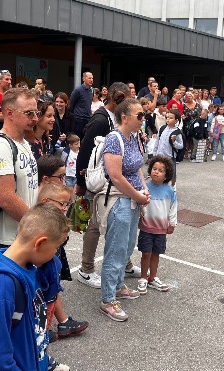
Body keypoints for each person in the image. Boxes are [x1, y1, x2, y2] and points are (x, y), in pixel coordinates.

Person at [0, 203, 70, 370]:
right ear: (40, 243)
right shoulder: (2, 285)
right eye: (56, 248)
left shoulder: (29, 268)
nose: (55, 253)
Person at [75, 82, 140, 289]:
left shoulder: (115, 119)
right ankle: (86, 270)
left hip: (109, 184)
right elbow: (85, 152)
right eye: (127, 100)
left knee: (118, 229)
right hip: (98, 183)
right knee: (94, 224)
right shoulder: (101, 119)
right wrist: (81, 183)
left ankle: (126, 263)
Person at [96, 97, 150, 322]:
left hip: (134, 201)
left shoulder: (134, 137)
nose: (143, 119)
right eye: (139, 116)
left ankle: (118, 286)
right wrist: (138, 194)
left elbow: (137, 167)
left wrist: (144, 188)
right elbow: (116, 177)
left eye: (144, 115)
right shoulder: (114, 139)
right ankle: (107, 299)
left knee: (127, 246)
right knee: (116, 249)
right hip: (119, 201)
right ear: (124, 117)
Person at [0, 88, 39, 256]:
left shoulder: (23, 143)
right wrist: (38, 225)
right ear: (9, 113)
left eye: (36, 112)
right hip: (1, 241)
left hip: (19, 236)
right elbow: (6, 198)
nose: (35, 118)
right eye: (29, 113)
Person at [36, 183, 89, 344]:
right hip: (42, 274)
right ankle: (39, 333)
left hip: (52, 271)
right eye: (62, 204)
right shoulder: (40, 221)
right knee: (41, 301)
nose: (65, 208)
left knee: (51, 299)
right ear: (46, 201)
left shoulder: (56, 219)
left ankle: (54, 327)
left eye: (67, 204)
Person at [136, 155, 176, 295]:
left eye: (160, 170)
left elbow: (173, 207)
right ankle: (143, 278)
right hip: (146, 227)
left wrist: (172, 223)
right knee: (146, 253)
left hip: (161, 229)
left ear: (166, 175)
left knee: (156, 253)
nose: (156, 172)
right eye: (154, 169)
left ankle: (152, 277)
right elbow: (140, 203)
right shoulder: (145, 186)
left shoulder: (170, 191)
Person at [154, 109, 183, 182]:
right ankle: (160, 186)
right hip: (160, 156)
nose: (168, 119)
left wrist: (174, 142)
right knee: (159, 173)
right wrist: (155, 154)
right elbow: (157, 142)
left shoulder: (177, 132)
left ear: (176, 120)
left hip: (170, 157)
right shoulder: (162, 128)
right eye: (167, 117)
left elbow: (181, 145)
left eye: (171, 118)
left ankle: (173, 188)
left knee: (172, 174)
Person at [68, 72, 93, 138]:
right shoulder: (78, 90)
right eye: (89, 78)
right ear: (83, 79)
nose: (91, 80)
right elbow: (71, 103)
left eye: (92, 78)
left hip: (87, 118)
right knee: (77, 137)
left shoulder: (91, 90)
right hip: (78, 118)